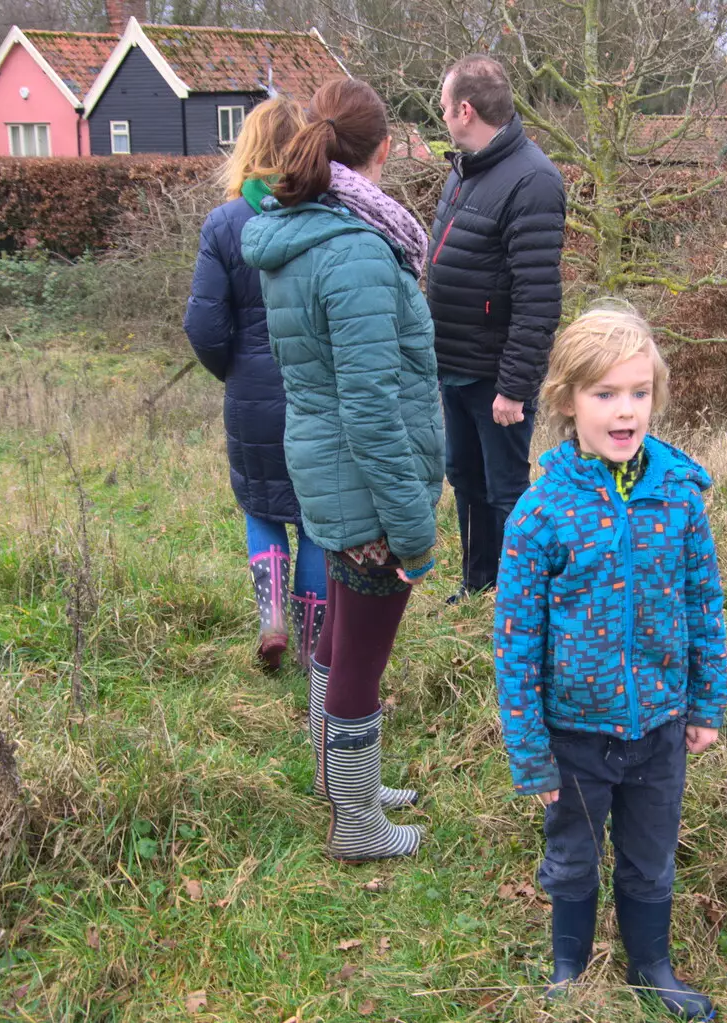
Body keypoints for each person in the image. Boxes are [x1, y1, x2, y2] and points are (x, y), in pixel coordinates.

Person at [493, 305, 727, 1017]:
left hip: (659, 726)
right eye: (605, 394)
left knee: (651, 854)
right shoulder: (541, 512)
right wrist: (531, 750)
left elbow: (703, 603)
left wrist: (705, 703)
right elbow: (515, 640)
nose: (625, 411)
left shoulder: (680, 498)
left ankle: (650, 962)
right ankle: (569, 965)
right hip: (574, 737)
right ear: (567, 400)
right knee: (572, 854)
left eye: (638, 393)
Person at [243, 79, 442, 862]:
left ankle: (344, 781)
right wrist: (415, 529)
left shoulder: (301, 230)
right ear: (383, 151)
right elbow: (371, 409)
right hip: (366, 488)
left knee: (336, 643)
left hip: (331, 474)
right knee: (361, 655)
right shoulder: (355, 251)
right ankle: (357, 824)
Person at [183, 97, 327, 671]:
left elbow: (204, 325)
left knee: (261, 505)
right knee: (316, 516)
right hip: (316, 395)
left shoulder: (224, 224)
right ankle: (315, 642)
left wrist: (236, 371)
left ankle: (271, 620)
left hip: (251, 397)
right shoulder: (325, 216)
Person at [427, 54, 566, 600]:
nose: (441, 115)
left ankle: (520, 600)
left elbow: (538, 298)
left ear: (465, 109)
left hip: (494, 376)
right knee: (464, 478)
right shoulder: (467, 167)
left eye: (443, 106)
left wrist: (514, 386)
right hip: (454, 367)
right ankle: (477, 586)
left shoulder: (532, 179)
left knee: (506, 489)